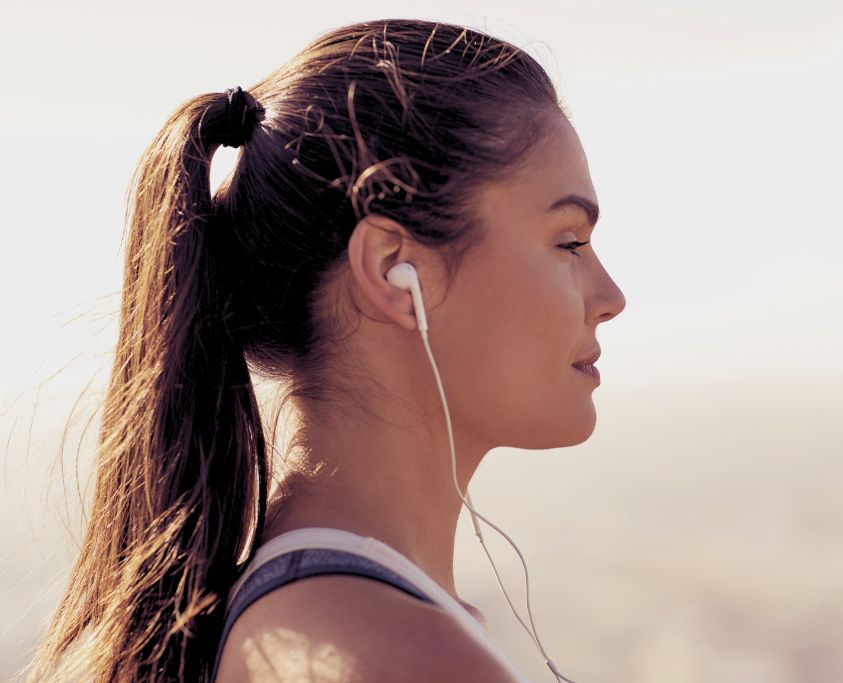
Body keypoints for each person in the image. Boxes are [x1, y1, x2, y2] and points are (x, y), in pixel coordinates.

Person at [22, 18, 625, 683]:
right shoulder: (397, 658)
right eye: (569, 241)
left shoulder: (300, 620)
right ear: (398, 269)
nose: (611, 295)